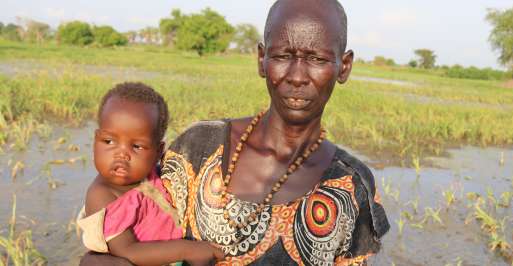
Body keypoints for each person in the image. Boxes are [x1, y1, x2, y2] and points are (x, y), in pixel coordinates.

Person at [80, 0, 389, 265]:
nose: (297, 76)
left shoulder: (353, 186)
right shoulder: (198, 147)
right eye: (282, 56)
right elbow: (134, 216)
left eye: (317, 59)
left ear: (344, 66)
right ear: (261, 60)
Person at [77, 82, 224, 266]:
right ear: (95, 140)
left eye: (137, 146)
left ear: (158, 151)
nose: (121, 154)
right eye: (108, 141)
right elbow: (126, 251)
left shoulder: (156, 174)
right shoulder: (102, 195)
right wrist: (189, 249)